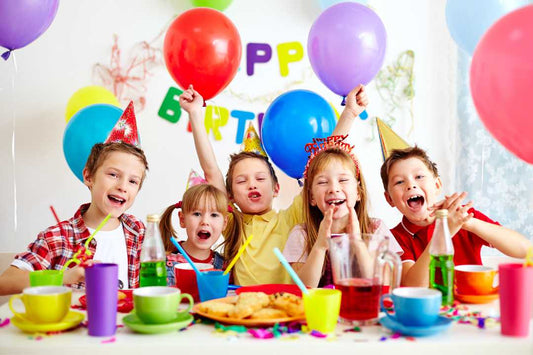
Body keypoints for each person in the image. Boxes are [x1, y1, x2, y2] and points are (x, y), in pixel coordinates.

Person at [179, 84, 368, 285]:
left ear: (276, 189)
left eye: (260, 179)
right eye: (242, 181)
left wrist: (349, 113)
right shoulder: (232, 224)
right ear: (230, 195)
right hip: (244, 309)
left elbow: (321, 164)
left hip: (285, 306)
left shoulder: (290, 219)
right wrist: (195, 113)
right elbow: (211, 171)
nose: (252, 185)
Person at [0, 142, 149, 295]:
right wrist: (64, 277)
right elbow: (5, 282)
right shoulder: (57, 237)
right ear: (88, 176)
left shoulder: (138, 231)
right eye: (113, 175)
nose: (123, 186)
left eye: (133, 181)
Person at [380, 146, 532, 286]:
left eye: (419, 176)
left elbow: (525, 250)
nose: (410, 185)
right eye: (399, 181)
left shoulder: (463, 217)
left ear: (437, 185)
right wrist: (444, 233)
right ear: (389, 199)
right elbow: (413, 286)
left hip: (473, 307)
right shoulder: (393, 238)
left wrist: (468, 223)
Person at [283, 136, 402, 287]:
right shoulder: (301, 234)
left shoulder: (376, 229)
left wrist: (357, 242)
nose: (333, 188)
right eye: (323, 182)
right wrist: (320, 246)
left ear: (358, 192)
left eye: (343, 180)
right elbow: (304, 287)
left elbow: (383, 284)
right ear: (311, 197)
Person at [159, 184, 242, 286]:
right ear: (182, 219)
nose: (205, 222)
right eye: (197, 214)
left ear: (224, 223)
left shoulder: (224, 268)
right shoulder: (162, 261)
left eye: (214, 215)